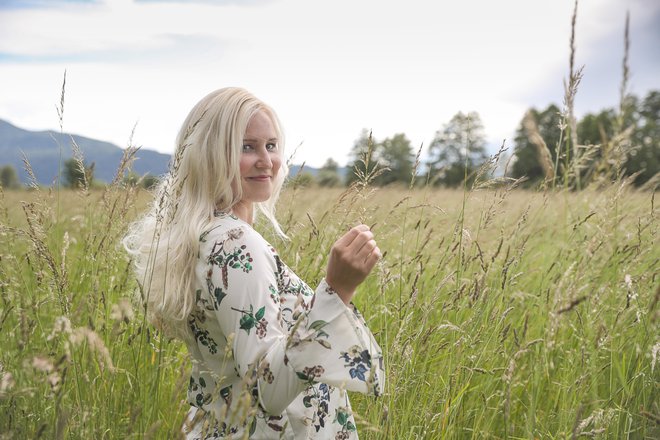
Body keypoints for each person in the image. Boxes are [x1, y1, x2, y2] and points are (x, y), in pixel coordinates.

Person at [124, 87, 384, 439]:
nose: (266, 160)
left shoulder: (204, 234)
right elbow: (268, 389)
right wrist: (338, 288)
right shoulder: (236, 245)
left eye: (271, 145)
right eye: (247, 147)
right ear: (212, 154)